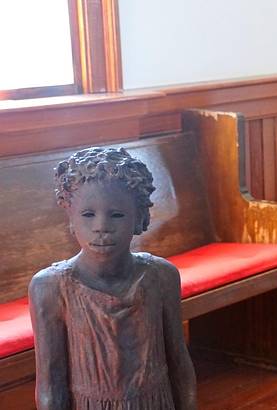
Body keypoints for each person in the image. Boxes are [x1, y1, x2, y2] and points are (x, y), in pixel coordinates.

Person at [29, 147, 196, 410]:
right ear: (70, 219)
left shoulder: (161, 276)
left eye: (117, 214)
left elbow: (179, 362)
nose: (101, 226)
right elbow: (50, 386)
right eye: (88, 214)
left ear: (140, 218)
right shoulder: (50, 287)